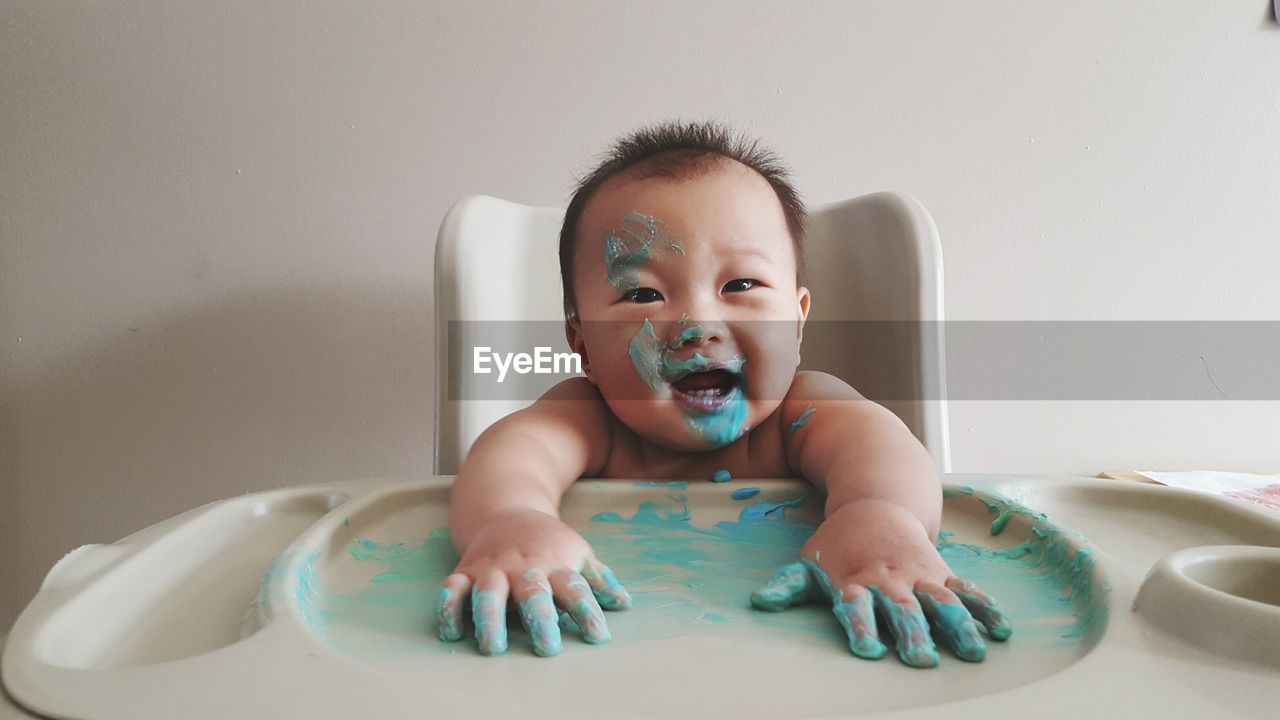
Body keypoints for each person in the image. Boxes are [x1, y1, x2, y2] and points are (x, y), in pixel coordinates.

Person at [436, 120, 1010, 667]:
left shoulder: (805, 411)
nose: (697, 324)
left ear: (798, 319)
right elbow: (510, 455)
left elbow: (885, 452)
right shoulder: (586, 416)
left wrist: (879, 518)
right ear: (581, 342)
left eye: (741, 285)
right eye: (642, 295)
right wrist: (511, 520)